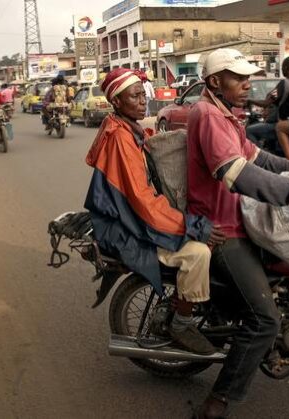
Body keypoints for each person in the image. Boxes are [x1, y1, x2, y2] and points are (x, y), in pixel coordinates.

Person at [186, 48, 289, 418]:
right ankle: (216, 403)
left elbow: (258, 158)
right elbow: (236, 173)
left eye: (248, 76)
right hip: (222, 232)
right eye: (239, 77)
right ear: (216, 81)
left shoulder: (228, 116)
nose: (247, 83)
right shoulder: (206, 115)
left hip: (241, 221)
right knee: (264, 320)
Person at [84, 68, 226, 354]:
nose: (142, 101)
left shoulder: (128, 128)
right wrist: (192, 226)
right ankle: (182, 323)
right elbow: (143, 202)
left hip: (131, 217)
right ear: (117, 102)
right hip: (126, 226)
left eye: (142, 94)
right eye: (134, 97)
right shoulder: (120, 139)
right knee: (198, 253)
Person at [245, 56, 289, 153]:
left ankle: (263, 158)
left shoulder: (284, 83)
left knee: (249, 131)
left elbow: (265, 103)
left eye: (282, 66)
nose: (282, 69)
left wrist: (249, 100)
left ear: (286, 67)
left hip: (283, 125)